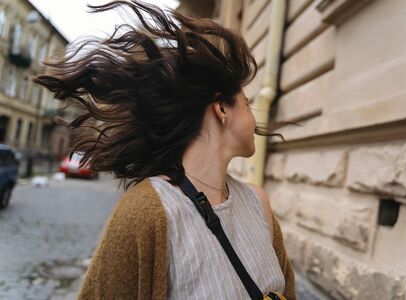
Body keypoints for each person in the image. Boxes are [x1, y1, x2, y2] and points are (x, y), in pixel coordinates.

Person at [35, 1, 296, 299]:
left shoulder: (258, 203)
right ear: (222, 108)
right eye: (247, 103)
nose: (254, 117)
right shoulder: (145, 213)